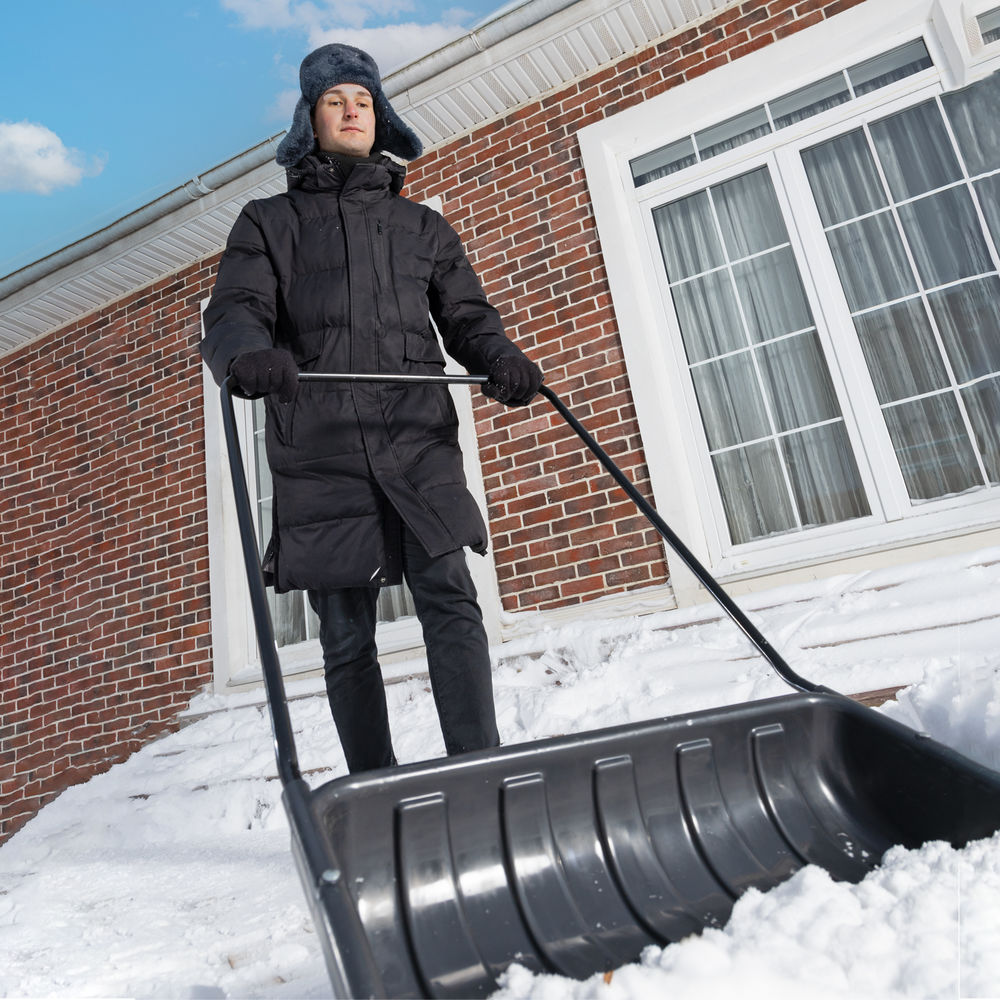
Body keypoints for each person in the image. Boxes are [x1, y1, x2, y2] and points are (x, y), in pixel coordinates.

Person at [200, 43, 543, 773]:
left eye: (363, 99)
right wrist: (245, 356)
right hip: (319, 444)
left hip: (415, 436)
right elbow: (236, 311)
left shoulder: (421, 227)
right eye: (335, 101)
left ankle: (480, 772)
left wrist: (500, 357)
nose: (352, 110)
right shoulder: (268, 222)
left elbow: (467, 318)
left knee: (450, 595)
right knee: (346, 633)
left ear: (379, 116)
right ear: (311, 120)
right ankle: (375, 789)